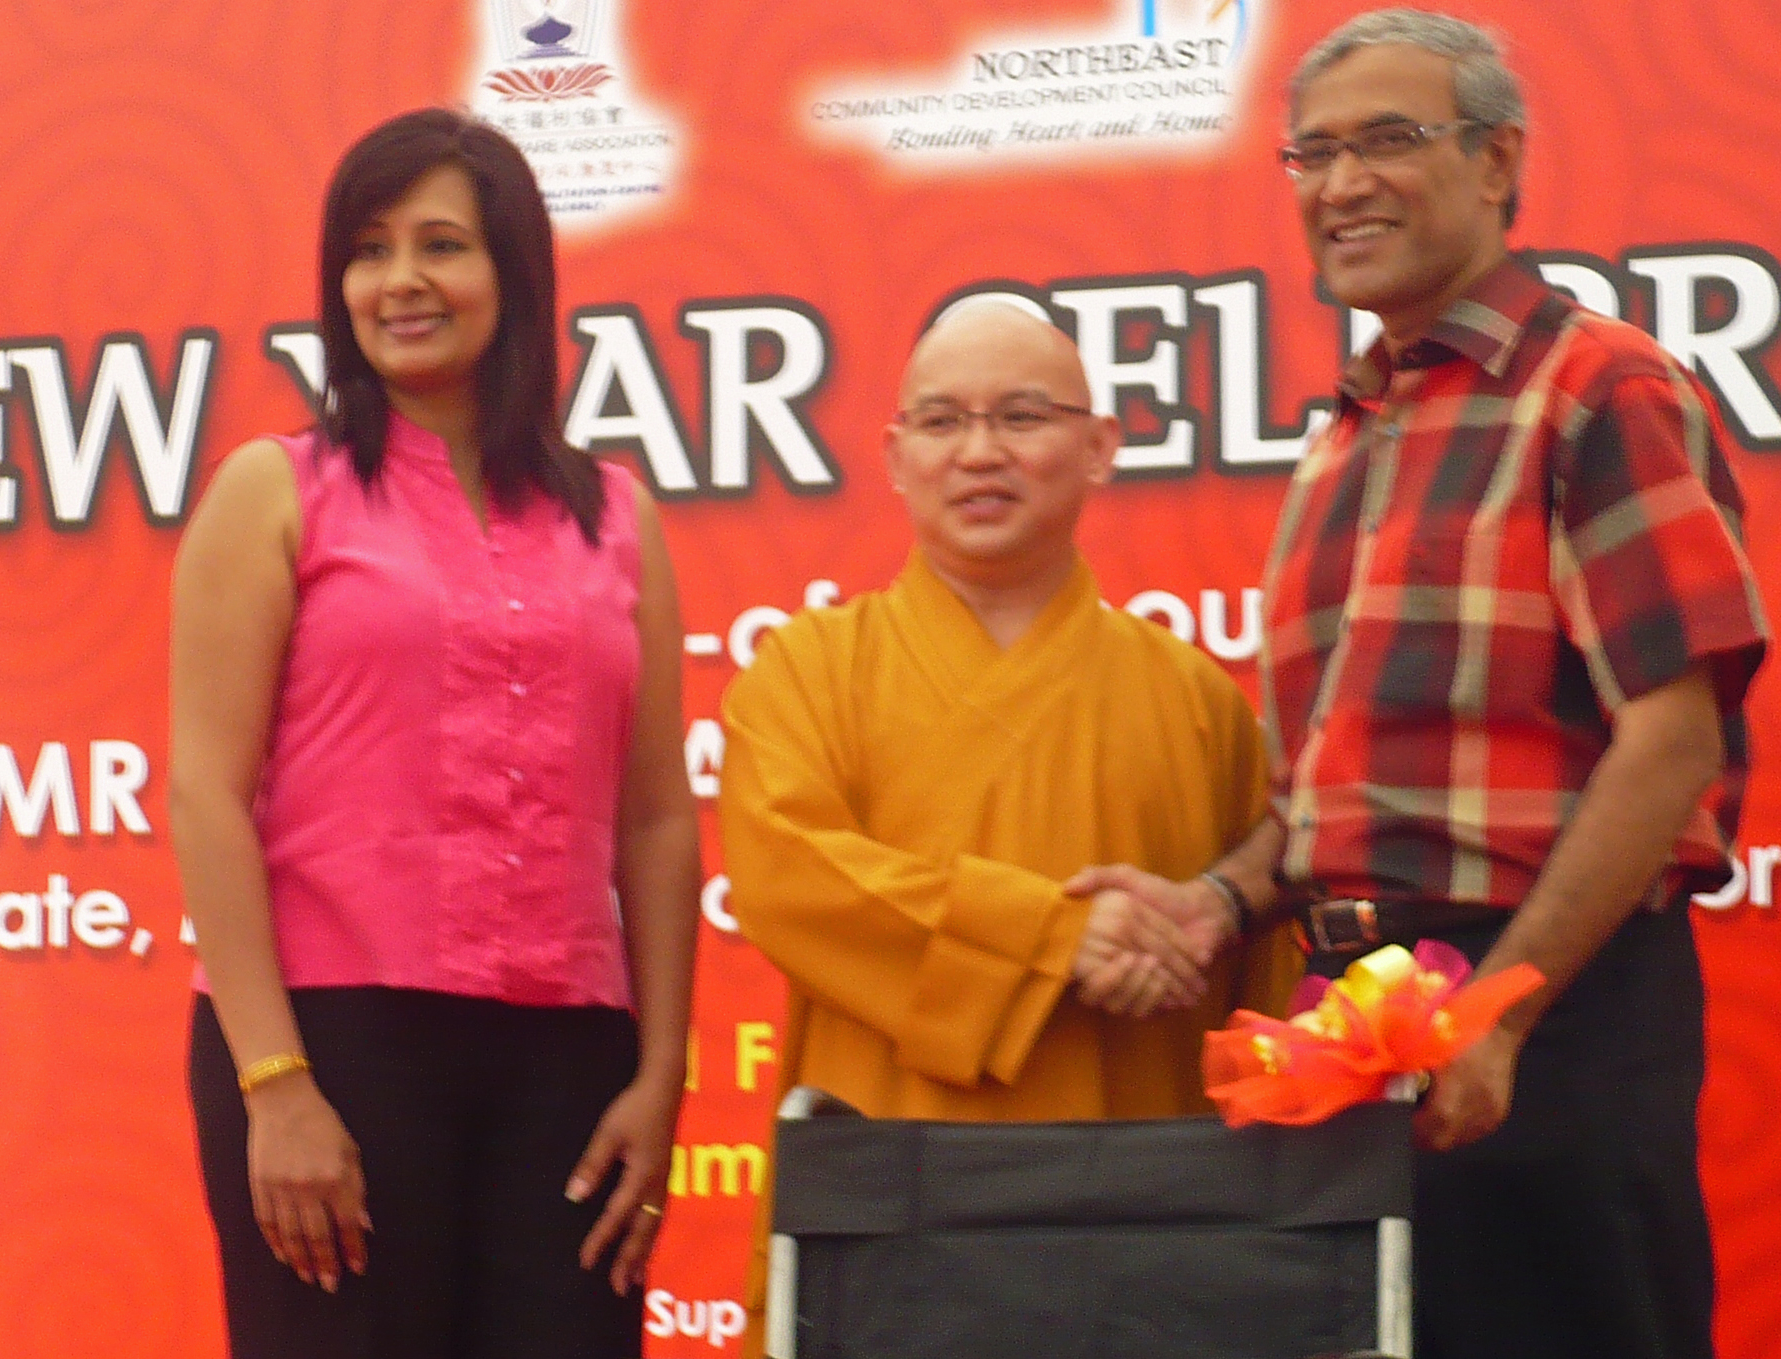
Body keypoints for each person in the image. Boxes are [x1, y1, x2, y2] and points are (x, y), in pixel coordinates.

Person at [1074, 12, 1769, 1358]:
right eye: (1311, 154)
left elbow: (1670, 743)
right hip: (1350, 1015)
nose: (1341, 185)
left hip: (1546, 1018)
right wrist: (1214, 901)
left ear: (1498, 160)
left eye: (1387, 140)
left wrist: (1496, 1012)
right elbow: (1334, 793)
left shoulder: (1597, 388)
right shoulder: (1341, 440)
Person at [169, 108, 700, 1359]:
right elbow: (204, 793)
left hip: (569, 1065)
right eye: (367, 249)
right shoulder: (277, 490)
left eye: (441, 244)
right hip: (331, 1045)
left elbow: (657, 816)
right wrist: (275, 1086)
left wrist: (659, 1074)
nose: (399, 280)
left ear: (513, 275)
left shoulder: (615, 515)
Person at [718, 298, 1302, 1352]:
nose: (979, 452)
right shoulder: (805, 674)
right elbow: (789, 881)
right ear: (895, 457)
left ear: (1099, 448)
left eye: (1022, 417)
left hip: (1145, 1238)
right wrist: (1055, 939)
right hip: (885, 1222)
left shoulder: (1200, 705)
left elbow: (1254, 992)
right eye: (942, 423)